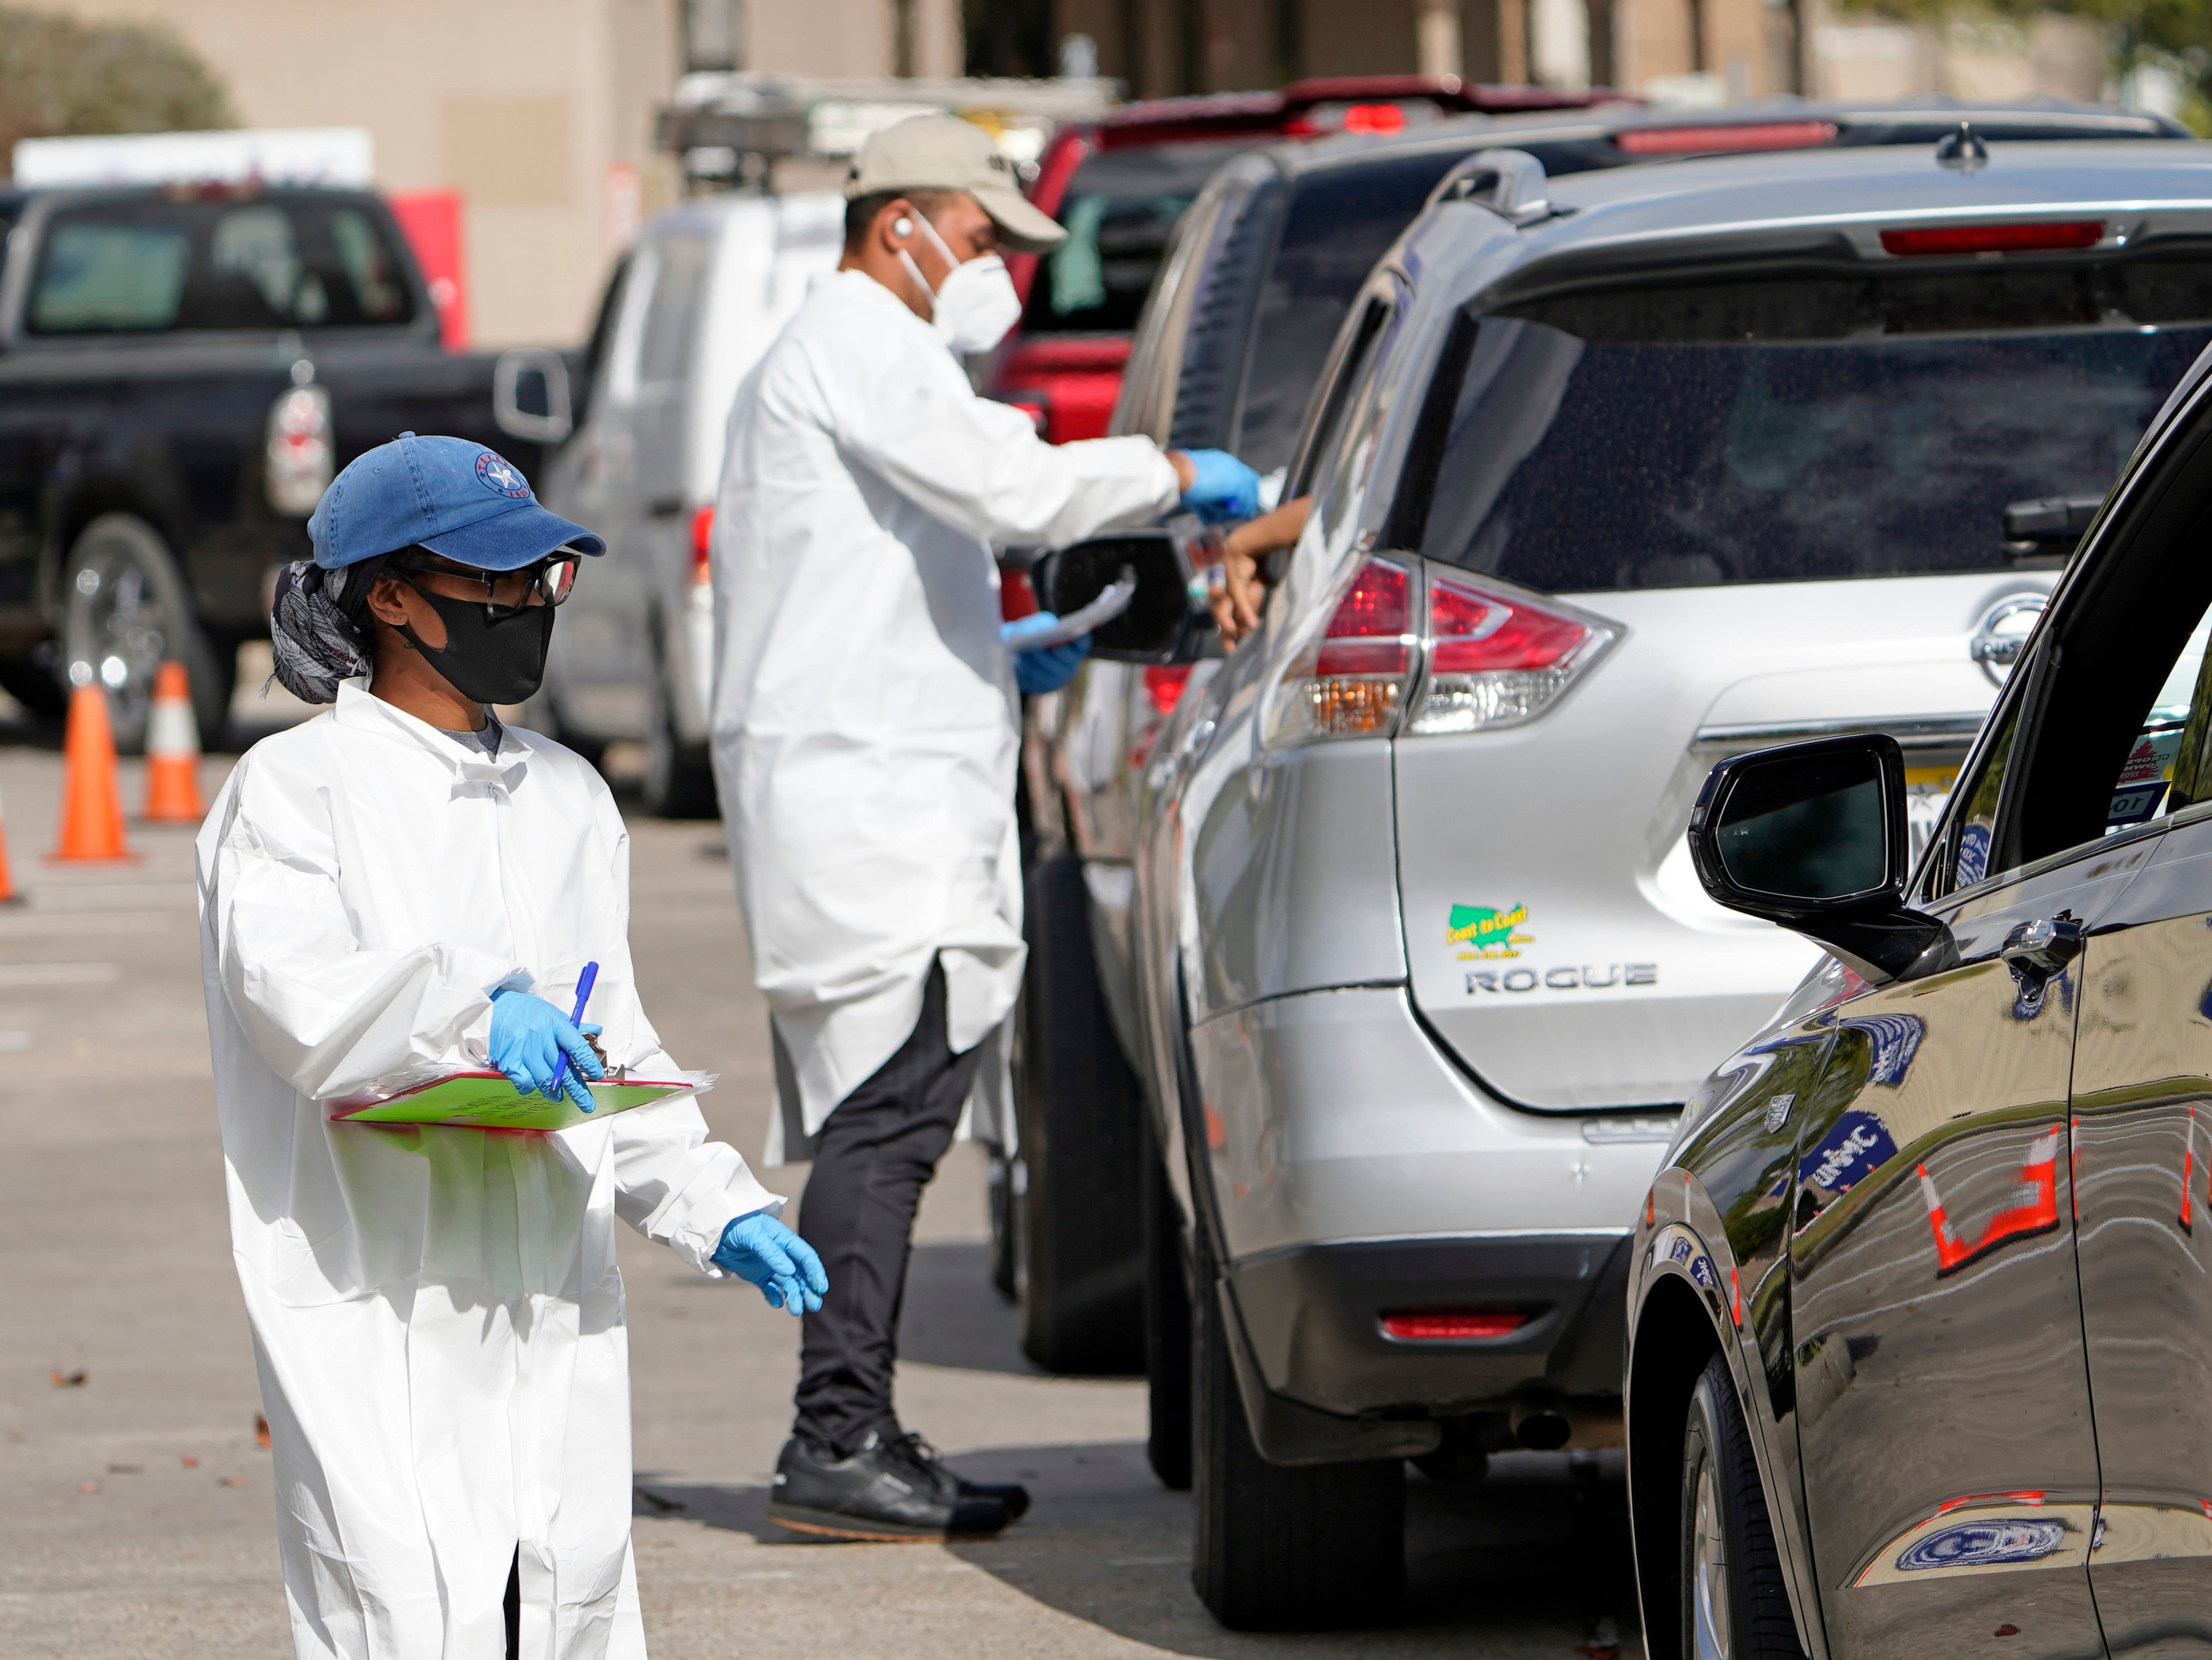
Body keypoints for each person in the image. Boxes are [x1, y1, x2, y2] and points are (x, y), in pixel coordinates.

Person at [710, 113, 1261, 1542]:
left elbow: (889, 562)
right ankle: (833, 1436)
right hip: (864, 793)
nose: (992, 265)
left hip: (876, 772)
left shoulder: (858, 358)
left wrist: (997, 642)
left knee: (887, 1112)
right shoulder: (855, 344)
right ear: (900, 222)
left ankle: (855, 1427)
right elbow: (1009, 490)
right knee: (885, 1121)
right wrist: (1172, 472)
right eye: (977, 233)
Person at [198, 432, 827, 1660]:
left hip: (547, 1298)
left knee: (562, 1601)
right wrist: (475, 1009)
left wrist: (717, 1206)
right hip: (378, 1298)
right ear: (388, 595)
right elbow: (297, 997)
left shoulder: (568, 799)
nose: (529, 606)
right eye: (495, 581)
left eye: (544, 578)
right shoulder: (295, 791)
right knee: (403, 1606)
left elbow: (614, 1050)